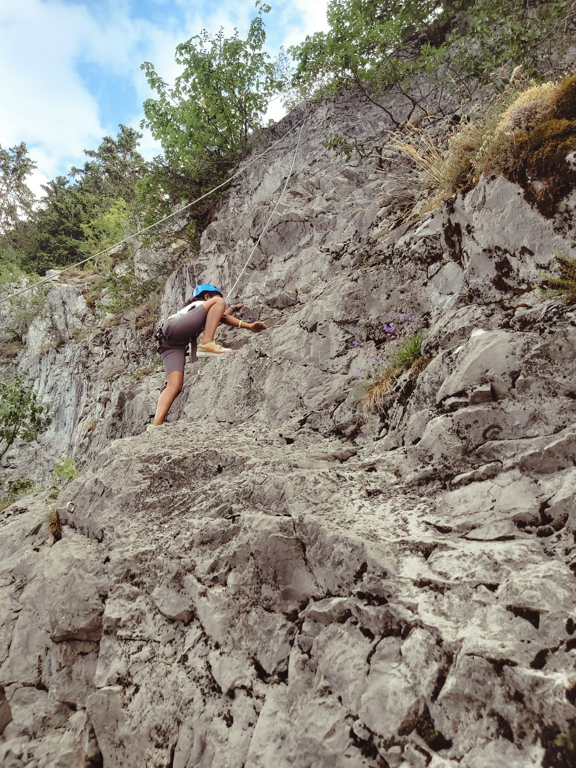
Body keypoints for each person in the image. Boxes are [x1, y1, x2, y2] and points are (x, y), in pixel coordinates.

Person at [147, 283, 267, 429]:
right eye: (215, 299)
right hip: (175, 328)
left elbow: (219, 318)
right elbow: (219, 311)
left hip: (168, 342)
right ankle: (207, 343)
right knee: (220, 302)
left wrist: (235, 312)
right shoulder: (201, 304)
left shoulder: (196, 312)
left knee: (174, 385)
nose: (221, 305)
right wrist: (244, 322)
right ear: (207, 296)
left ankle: (155, 425)